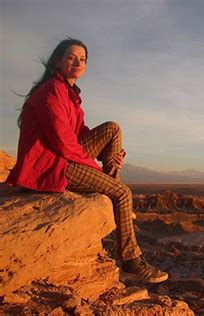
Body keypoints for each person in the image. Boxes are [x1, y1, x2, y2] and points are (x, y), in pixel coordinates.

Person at [6, 38, 168, 283]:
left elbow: (81, 133)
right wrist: (96, 168)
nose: (77, 62)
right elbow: (62, 142)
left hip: (62, 156)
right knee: (123, 193)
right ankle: (131, 261)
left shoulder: (69, 94)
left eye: (82, 59)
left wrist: (110, 159)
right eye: (71, 57)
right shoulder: (51, 91)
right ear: (57, 61)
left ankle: (110, 187)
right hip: (51, 164)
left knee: (113, 128)